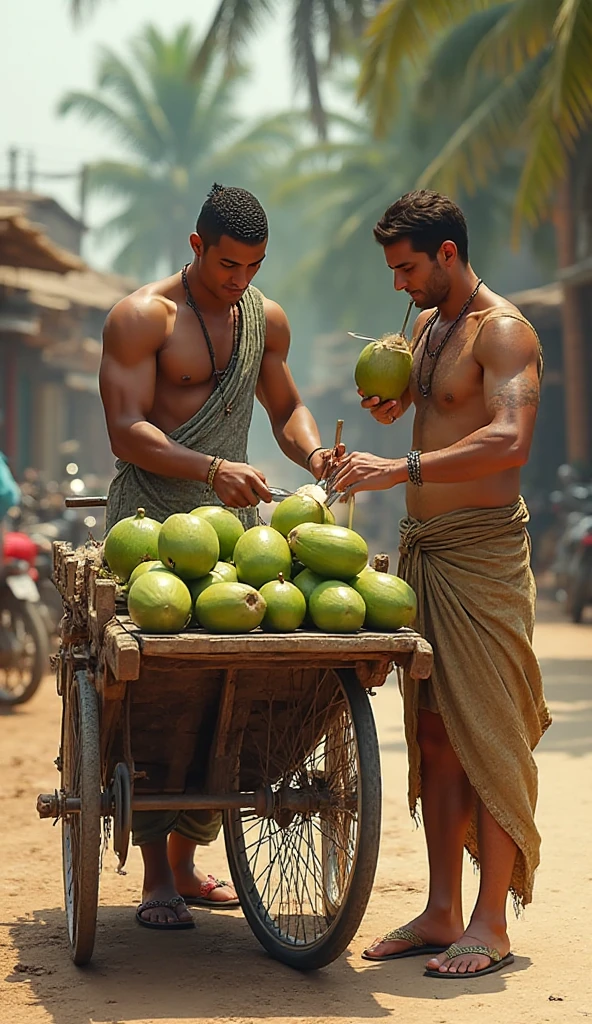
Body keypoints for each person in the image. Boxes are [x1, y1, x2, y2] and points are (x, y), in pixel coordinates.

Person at [100, 183, 339, 930]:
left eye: (254, 267)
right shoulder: (143, 318)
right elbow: (125, 430)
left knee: (233, 683)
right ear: (198, 246)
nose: (240, 281)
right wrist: (208, 470)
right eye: (229, 264)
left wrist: (313, 451)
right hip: (149, 524)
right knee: (158, 693)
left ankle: (188, 858)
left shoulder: (263, 319)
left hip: (232, 534)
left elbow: (286, 405)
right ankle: (155, 877)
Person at [332, 190, 551, 978]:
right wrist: (394, 415)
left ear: (448, 254)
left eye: (407, 268)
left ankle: (491, 922)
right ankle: (441, 909)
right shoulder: (426, 330)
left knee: (487, 730)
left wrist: (404, 467)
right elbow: (436, 418)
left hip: (484, 556)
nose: (399, 284)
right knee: (432, 734)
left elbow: (509, 435)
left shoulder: (505, 332)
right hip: (425, 548)